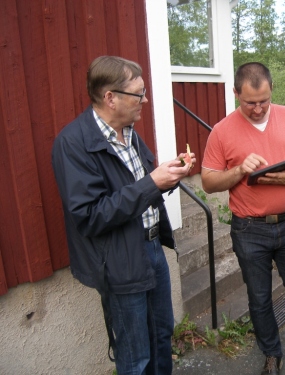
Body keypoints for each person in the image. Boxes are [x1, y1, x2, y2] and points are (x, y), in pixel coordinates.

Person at [51, 55, 195, 375]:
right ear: (110, 98)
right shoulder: (73, 144)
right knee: (135, 355)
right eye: (138, 93)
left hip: (153, 250)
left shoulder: (129, 132)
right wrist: (152, 183)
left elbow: (142, 188)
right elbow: (89, 216)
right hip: (119, 260)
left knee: (161, 335)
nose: (145, 99)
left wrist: (169, 176)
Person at [201, 62, 285, 375]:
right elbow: (209, 183)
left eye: (264, 100)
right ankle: (271, 355)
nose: (258, 108)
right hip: (249, 229)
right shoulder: (222, 131)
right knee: (260, 298)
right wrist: (239, 170)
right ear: (236, 93)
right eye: (250, 102)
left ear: (271, 90)